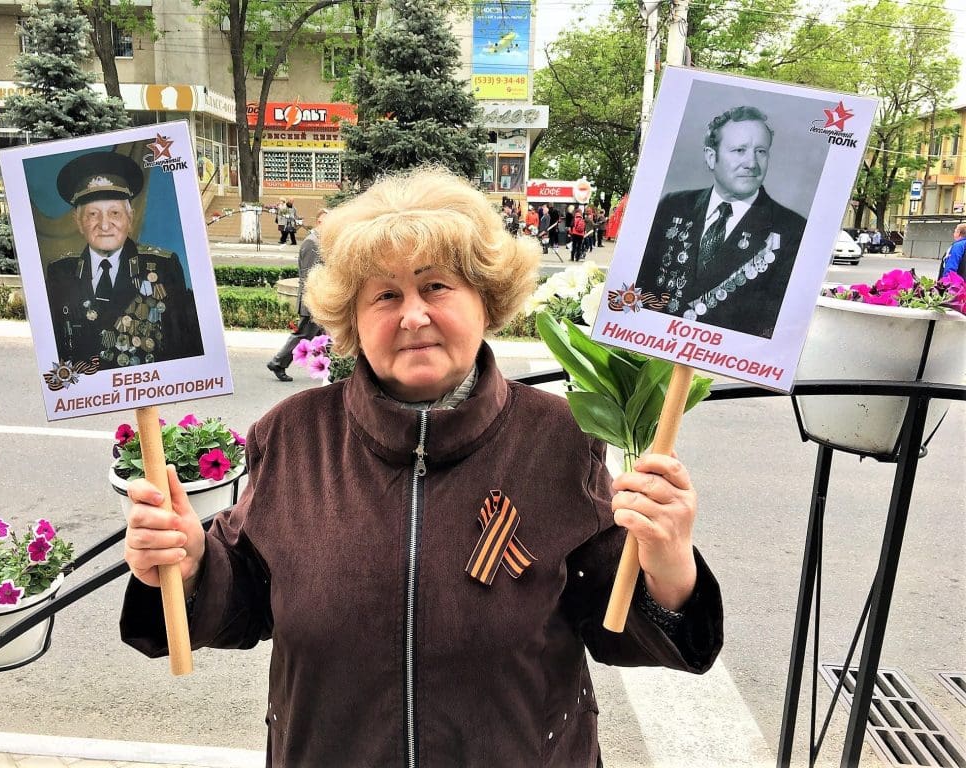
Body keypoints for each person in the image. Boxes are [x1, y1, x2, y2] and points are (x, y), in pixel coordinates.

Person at [119, 166, 723, 767]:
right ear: (352, 319)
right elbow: (246, 591)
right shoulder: (293, 435)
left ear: (485, 300)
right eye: (385, 295)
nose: (413, 316)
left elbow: (613, 617)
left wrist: (668, 564)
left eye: (436, 286)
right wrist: (193, 565)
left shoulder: (560, 438)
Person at [635, 105, 807, 339]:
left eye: (761, 152)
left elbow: (774, 327)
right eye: (739, 150)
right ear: (711, 157)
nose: (751, 163)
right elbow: (641, 285)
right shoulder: (673, 206)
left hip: (725, 364)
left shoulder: (792, 230)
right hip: (656, 345)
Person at [45, 151, 203, 369]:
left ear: (130, 218)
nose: (105, 225)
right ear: (78, 222)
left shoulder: (164, 267)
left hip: (144, 390)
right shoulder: (60, 272)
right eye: (92, 214)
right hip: (88, 395)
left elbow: (184, 347)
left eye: (115, 213)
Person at [267, 208, 329, 381]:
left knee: (325, 337)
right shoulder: (312, 243)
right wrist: (314, 302)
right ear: (319, 222)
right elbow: (310, 276)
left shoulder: (321, 242)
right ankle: (278, 362)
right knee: (304, 334)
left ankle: (333, 371)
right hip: (313, 300)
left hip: (320, 299)